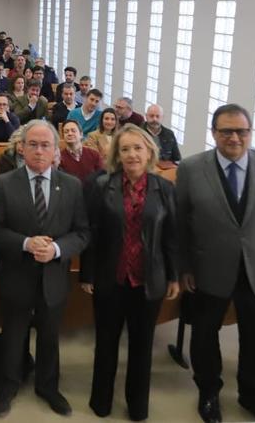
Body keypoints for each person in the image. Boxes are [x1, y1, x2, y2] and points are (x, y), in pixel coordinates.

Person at [176, 104, 255, 423]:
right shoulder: (190, 168)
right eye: (226, 131)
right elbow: (180, 223)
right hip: (208, 270)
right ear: (214, 133)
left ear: (250, 133)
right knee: (204, 336)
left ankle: (253, 396)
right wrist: (184, 266)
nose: (234, 137)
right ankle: (208, 392)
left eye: (241, 131)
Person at [0, 120, 90, 418]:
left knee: (49, 336)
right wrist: (26, 243)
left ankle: (48, 387)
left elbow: (82, 232)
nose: (39, 150)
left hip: (54, 278)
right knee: (13, 335)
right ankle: (8, 386)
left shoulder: (71, 185)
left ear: (56, 150)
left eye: (46, 145)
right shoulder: (6, 183)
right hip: (16, 275)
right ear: (22, 147)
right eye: (33, 144)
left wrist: (56, 249)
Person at [80, 126, 180, 420]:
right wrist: (87, 274)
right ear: (117, 155)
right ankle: (101, 402)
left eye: (138, 148)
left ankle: (138, 407)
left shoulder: (165, 189)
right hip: (111, 277)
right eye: (125, 149)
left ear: (149, 151)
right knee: (106, 343)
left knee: (142, 345)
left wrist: (174, 275)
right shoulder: (101, 186)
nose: (132, 154)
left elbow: (172, 236)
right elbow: (92, 233)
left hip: (148, 279)